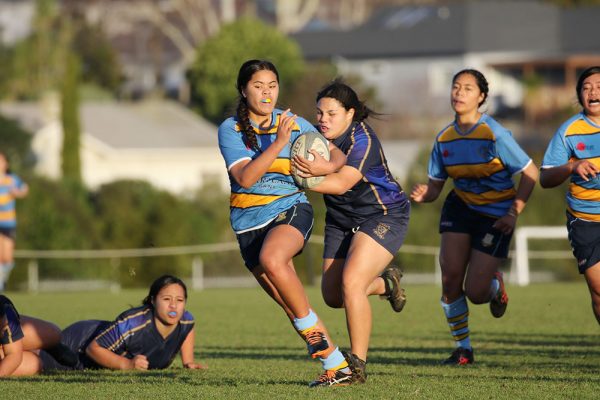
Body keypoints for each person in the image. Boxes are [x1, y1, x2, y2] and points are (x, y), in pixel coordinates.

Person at [218, 59, 358, 387]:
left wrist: (324, 168)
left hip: (290, 209)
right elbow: (246, 177)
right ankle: (337, 366)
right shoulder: (230, 129)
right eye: (258, 86)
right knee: (291, 304)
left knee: (273, 258)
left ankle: (327, 354)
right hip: (247, 225)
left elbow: (337, 155)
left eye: (272, 86)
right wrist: (280, 143)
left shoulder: (291, 122)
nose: (267, 93)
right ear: (243, 89)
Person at [410, 69, 538, 365]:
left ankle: (495, 286)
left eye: (468, 88)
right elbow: (436, 188)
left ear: (481, 97)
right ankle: (463, 349)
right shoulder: (444, 138)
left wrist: (514, 212)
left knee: (476, 292)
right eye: (456, 87)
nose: (459, 93)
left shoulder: (494, 133)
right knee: (450, 275)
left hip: (496, 215)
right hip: (460, 207)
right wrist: (424, 194)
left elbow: (531, 173)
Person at [292, 80, 409, 383]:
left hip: (383, 214)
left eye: (331, 113)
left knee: (352, 283)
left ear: (350, 114)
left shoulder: (363, 140)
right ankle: (386, 283)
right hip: (341, 220)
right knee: (333, 295)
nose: (323, 119)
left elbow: (342, 183)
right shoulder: (315, 139)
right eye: (319, 113)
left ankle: (356, 365)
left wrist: (305, 177)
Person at [40, 274, 206, 371]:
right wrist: (127, 364)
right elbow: (93, 348)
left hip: (86, 348)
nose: (173, 305)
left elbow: (188, 327)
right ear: (153, 301)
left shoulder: (185, 318)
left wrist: (188, 361)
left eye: (180, 300)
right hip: (77, 345)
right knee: (33, 362)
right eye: (166, 299)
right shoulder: (134, 323)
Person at [540, 66, 600, 325]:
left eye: (598, 86)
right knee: (598, 293)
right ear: (579, 95)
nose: (593, 92)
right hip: (585, 220)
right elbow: (545, 177)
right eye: (586, 88)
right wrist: (572, 166)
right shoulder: (569, 130)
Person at [0, 295, 77, 377]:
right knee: (34, 365)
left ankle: (49, 346)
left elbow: (13, 354)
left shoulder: (7, 314)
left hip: (9, 332)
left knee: (53, 334)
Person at [0, 151, 28, 292]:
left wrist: (17, 193)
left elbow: (24, 189)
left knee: (7, 258)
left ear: (6, 163)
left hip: (9, 222)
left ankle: (3, 280)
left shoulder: (11, 179)